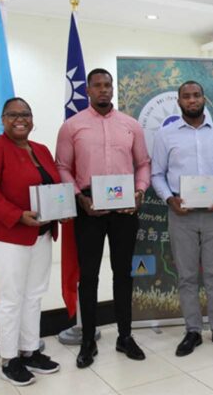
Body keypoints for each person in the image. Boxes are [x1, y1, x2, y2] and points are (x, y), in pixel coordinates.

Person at [56, 68, 151, 368]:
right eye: (97, 85)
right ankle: (87, 341)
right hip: (89, 208)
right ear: (88, 91)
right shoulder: (72, 126)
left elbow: (144, 164)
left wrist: (139, 192)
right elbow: (62, 167)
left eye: (107, 85)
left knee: (124, 273)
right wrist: (80, 198)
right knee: (89, 276)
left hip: (125, 210)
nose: (103, 90)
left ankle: (125, 336)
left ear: (113, 89)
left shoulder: (131, 125)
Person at [0, 98, 61, 386]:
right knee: (11, 298)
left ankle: (30, 349)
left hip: (41, 233)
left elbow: (53, 187)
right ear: (3, 119)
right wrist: (16, 215)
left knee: (34, 294)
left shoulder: (42, 150)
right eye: (13, 114)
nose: (20, 119)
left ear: (32, 119)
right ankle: (10, 359)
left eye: (25, 114)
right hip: (7, 234)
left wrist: (61, 211)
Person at [151, 81, 213, 356]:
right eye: (186, 96)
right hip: (182, 212)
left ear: (204, 98)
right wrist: (169, 199)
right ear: (178, 102)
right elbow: (157, 174)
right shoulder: (165, 136)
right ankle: (192, 330)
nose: (192, 100)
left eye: (197, 95)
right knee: (187, 275)